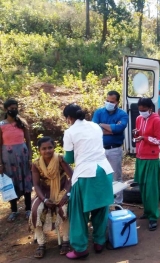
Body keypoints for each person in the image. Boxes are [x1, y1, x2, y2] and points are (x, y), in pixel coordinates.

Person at [63, 103, 114, 259]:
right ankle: (99, 242)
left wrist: (63, 158)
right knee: (101, 209)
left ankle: (80, 249)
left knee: (78, 212)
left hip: (86, 174)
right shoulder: (95, 126)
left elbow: (70, 158)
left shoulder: (70, 132)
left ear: (69, 118)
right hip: (104, 171)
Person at [29, 136, 73, 258]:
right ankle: (41, 243)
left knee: (64, 209)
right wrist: (44, 199)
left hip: (62, 190)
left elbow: (72, 176)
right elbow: (36, 185)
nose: (47, 150)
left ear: (54, 148)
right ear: (39, 150)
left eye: (50, 147)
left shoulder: (60, 159)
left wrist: (67, 194)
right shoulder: (36, 164)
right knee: (35, 210)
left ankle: (65, 241)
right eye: (44, 148)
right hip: (44, 193)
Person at [92, 90, 128, 206]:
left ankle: (118, 202)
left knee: (116, 176)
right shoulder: (99, 112)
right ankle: (104, 202)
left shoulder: (122, 114)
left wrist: (102, 125)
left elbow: (119, 129)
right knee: (100, 175)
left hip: (115, 150)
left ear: (117, 102)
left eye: (111, 101)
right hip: (100, 150)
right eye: (107, 100)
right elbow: (95, 130)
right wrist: (111, 129)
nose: (108, 103)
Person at [132, 98, 160, 231]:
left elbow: (159, 140)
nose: (141, 112)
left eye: (144, 110)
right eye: (140, 110)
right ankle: (147, 210)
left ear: (150, 108)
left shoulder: (157, 121)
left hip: (151, 159)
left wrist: (144, 138)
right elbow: (139, 133)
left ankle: (153, 217)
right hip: (140, 158)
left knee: (151, 188)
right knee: (143, 187)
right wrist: (137, 134)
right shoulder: (139, 119)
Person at [0, 98, 32, 222]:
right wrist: (0, 163)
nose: (14, 110)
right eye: (11, 108)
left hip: (23, 156)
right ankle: (14, 210)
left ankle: (28, 208)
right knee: (10, 182)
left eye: (15, 108)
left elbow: (28, 142)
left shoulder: (22, 123)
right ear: (6, 109)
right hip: (8, 157)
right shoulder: (1, 125)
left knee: (26, 180)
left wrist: (30, 158)